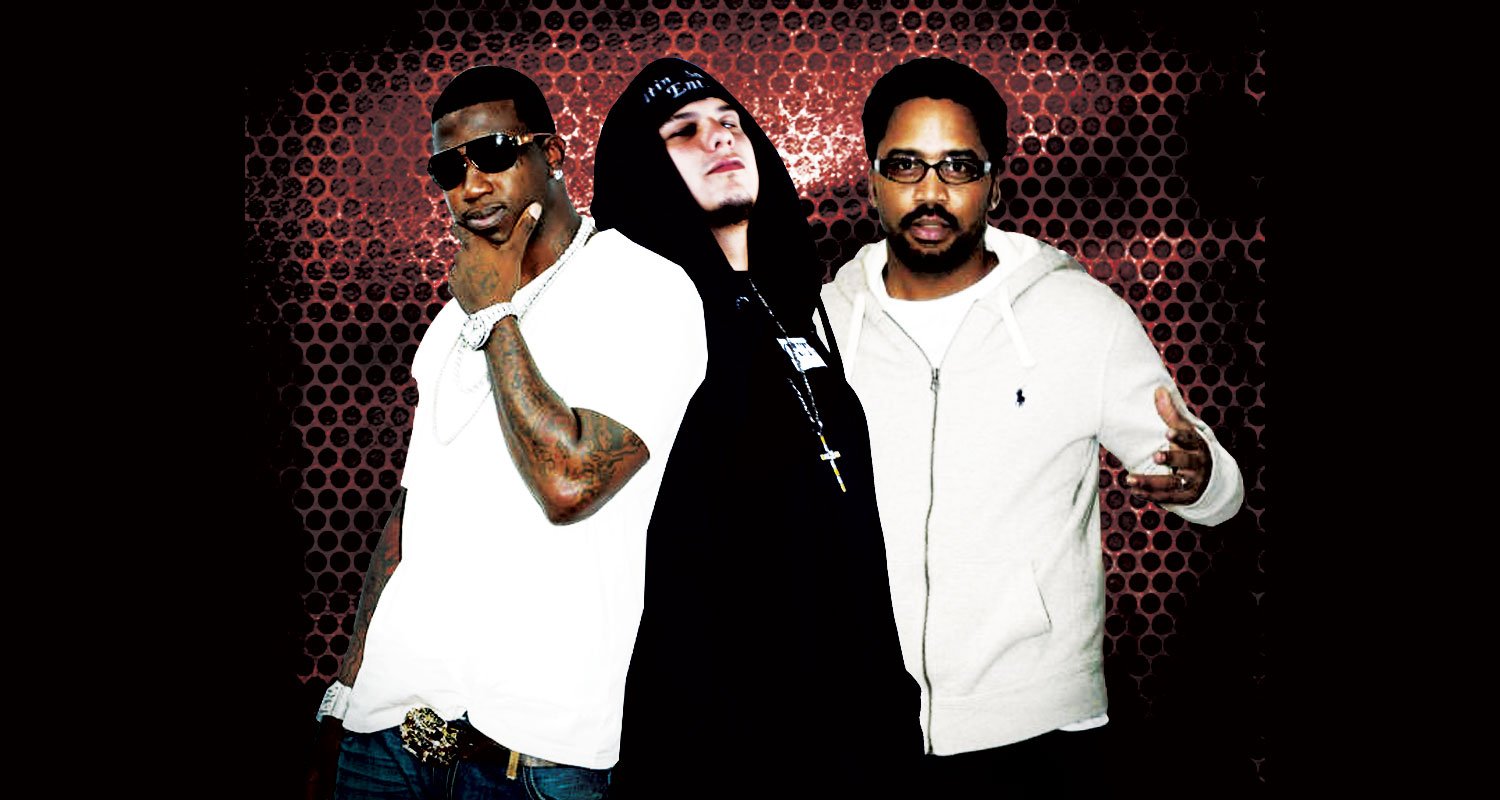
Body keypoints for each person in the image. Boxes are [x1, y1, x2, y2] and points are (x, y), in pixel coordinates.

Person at [819, 56, 1247, 795]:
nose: (931, 192)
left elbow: (1214, 484)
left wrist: (1204, 478)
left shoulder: (1078, 315)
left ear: (994, 180)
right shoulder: (820, 328)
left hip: (1039, 732)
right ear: (873, 178)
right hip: (858, 722)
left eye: (959, 166)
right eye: (906, 165)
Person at [304, 65, 707, 800]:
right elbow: (407, 521)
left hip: (532, 757)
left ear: (552, 154)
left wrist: (495, 316)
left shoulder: (646, 289)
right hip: (385, 734)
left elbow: (570, 482)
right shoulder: (448, 322)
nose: (470, 186)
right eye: (448, 169)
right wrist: (345, 691)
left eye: (493, 154)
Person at [590, 58, 921, 799]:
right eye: (683, 132)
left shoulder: (797, 305)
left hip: (853, 726)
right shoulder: (635, 322)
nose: (719, 139)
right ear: (646, 169)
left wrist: (890, 697)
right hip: (718, 741)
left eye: (730, 122)